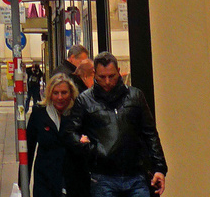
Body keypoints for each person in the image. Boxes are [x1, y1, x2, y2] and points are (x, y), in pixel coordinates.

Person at [63, 52, 167, 197]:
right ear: (94, 74)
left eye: (111, 76)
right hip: (103, 175)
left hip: (134, 174)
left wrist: (159, 168)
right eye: (102, 77)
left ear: (118, 72)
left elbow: (150, 134)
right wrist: (89, 149)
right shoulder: (85, 100)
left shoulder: (135, 97)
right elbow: (70, 133)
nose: (107, 82)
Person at [27, 74, 90, 197]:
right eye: (55, 93)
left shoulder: (78, 113)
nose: (60, 97)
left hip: (74, 179)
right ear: (50, 94)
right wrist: (23, 181)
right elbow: (29, 148)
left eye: (64, 93)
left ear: (71, 93)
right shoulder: (39, 113)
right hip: (45, 179)